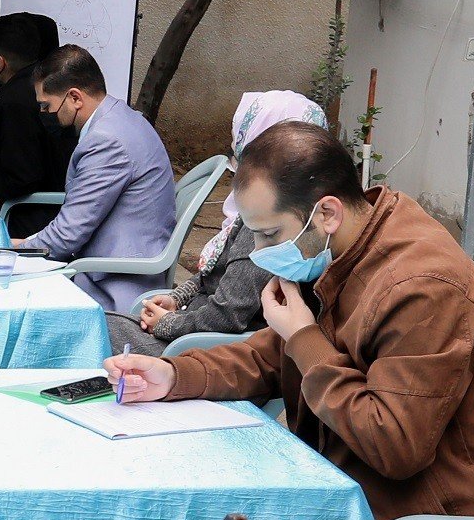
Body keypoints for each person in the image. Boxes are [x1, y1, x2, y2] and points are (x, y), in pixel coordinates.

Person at [107, 120, 474, 520]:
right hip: (377, 504)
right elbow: (270, 355)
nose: (260, 254)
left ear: (327, 212)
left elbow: (395, 444)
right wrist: (174, 376)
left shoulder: (425, 288)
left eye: (269, 234)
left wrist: (303, 336)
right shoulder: (344, 249)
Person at [115, 89, 326, 355]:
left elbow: (229, 313)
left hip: (204, 346)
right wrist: (178, 297)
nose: (236, 148)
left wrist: (169, 323)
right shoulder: (263, 210)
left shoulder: (268, 222)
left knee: (92, 330)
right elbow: (219, 271)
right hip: (196, 331)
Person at [12, 45, 177, 319]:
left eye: (46, 106)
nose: (44, 113)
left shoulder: (106, 140)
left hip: (112, 284)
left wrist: (14, 250)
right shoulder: (121, 117)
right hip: (109, 266)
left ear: (75, 97)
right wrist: (27, 243)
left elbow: (67, 236)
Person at [0, 12, 78, 239]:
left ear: (0, 63)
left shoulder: (16, 101)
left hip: (31, 217)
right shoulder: (40, 86)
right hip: (49, 207)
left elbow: (18, 179)